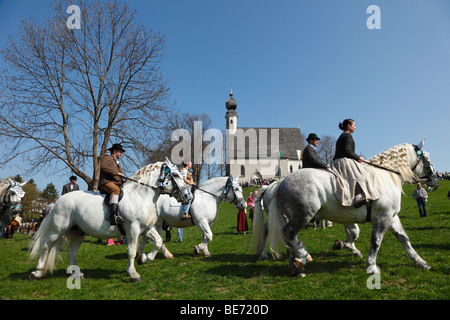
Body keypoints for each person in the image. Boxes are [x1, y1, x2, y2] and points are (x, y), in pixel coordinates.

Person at [333, 119, 381, 208]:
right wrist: (358, 158)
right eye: (354, 125)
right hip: (344, 161)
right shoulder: (347, 136)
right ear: (348, 125)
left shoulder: (342, 136)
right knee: (364, 174)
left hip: (339, 160)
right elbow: (347, 151)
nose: (355, 127)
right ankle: (358, 197)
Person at [98, 143, 126, 225]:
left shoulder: (117, 163)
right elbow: (102, 166)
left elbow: (118, 177)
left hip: (114, 183)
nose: (121, 154)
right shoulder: (108, 157)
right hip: (105, 182)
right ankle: (113, 215)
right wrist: (116, 172)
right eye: (120, 152)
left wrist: (123, 181)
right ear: (115, 151)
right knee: (115, 189)